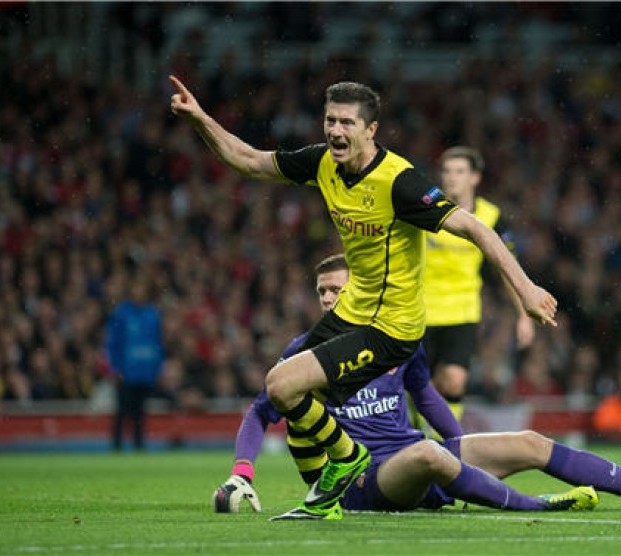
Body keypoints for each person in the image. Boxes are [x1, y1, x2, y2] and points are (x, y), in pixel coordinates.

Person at [170, 75, 559, 519]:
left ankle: (354, 459)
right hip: (355, 312)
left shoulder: (400, 183)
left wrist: (526, 290)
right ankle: (344, 466)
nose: (335, 130)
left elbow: (475, 227)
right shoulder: (322, 163)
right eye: (330, 120)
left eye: (347, 123)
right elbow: (250, 161)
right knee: (281, 387)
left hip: (390, 326)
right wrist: (201, 120)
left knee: (287, 386)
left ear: (370, 130)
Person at [214, 254, 599, 518]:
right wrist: (241, 472)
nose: (328, 298)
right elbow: (261, 411)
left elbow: (428, 398)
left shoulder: (396, 338)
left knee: (528, 441)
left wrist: (458, 449)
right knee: (428, 453)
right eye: (321, 291)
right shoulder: (304, 352)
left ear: (362, 290)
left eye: (336, 289)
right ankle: (536, 505)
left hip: (411, 462)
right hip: (362, 480)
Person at [422, 146, 535, 423]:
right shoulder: (425, 205)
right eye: (446, 171)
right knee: (419, 386)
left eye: (460, 171)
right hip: (419, 311)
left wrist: (523, 314)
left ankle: (447, 445)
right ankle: (415, 435)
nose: (451, 178)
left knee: (455, 381)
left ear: (475, 178)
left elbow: (505, 267)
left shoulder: (491, 216)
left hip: (462, 311)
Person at [105, 273, 165, 451]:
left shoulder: (152, 314)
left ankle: (139, 444)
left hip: (145, 372)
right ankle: (116, 445)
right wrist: (115, 367)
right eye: (136, 289)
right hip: (126, 371)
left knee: (140, 412)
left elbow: (157, 342)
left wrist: (157, 367)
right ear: (131, 291)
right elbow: (113, 342)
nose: (139, 292)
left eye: (142, 289)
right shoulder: (122, 313)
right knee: (122, 410)